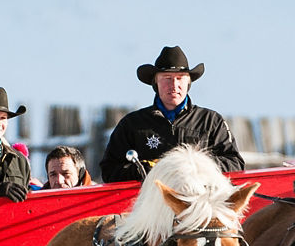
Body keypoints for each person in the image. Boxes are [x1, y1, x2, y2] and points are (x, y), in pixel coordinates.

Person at [99, 45, 245, 183]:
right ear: (155, 83)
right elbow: (109, 171)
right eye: (167, 78)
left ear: (189, 83)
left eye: (180, 78)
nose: (174, 85)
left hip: (199, 205)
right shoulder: (132, 124)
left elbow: (235, 164)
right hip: (150, 206)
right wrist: (141, 171)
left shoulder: (211, 121)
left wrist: (194, 165)